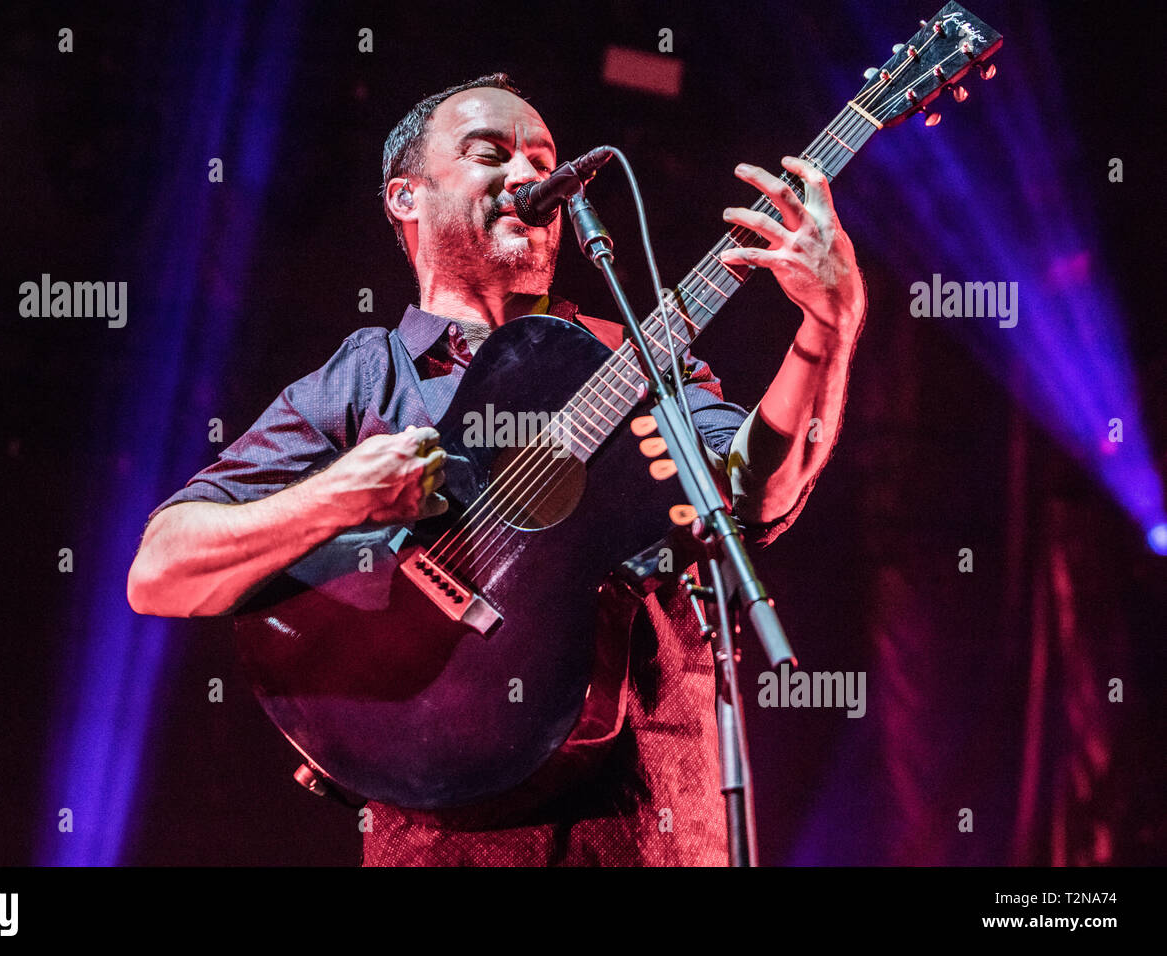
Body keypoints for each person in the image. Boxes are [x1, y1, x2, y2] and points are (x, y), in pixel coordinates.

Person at [127, 73, 866, 865]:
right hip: (439, 841)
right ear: (405, 199)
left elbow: (755, 492)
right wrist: (333, 499)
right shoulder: (362, 378)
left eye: (543, 158)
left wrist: (829, 325)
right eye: (492, 154)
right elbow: (160, 570)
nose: (528, 174)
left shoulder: (635, 357)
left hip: (648, 823)